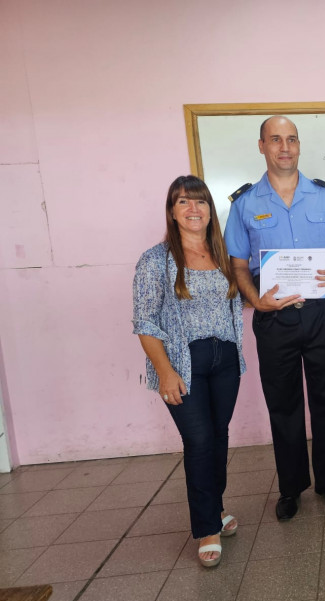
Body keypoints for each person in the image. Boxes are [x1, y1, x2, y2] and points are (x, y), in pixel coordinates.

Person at [224, 115, 325, 521]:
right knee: (283, 405)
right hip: (274, 318)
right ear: (261, 146)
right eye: (276, 139)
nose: (285, 147)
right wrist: (255, 302)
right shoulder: (246, 204)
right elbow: (238, 265)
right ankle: (291, 488)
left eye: (292, 139)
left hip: (321, 314)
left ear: (300, 146)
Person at [133, 175, 245, 567]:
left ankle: (214, 508)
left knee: (217, 436)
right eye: (183, 202)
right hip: (184, 364)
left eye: (200, 202)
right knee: (198, 442)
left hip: (226, 360)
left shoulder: (224, 254)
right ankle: (206, 528)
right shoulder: (155, 260)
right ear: (172, 212)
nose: (193, 209)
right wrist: (165, 372)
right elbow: (144, 322)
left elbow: (236, 305)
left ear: (210, 210)